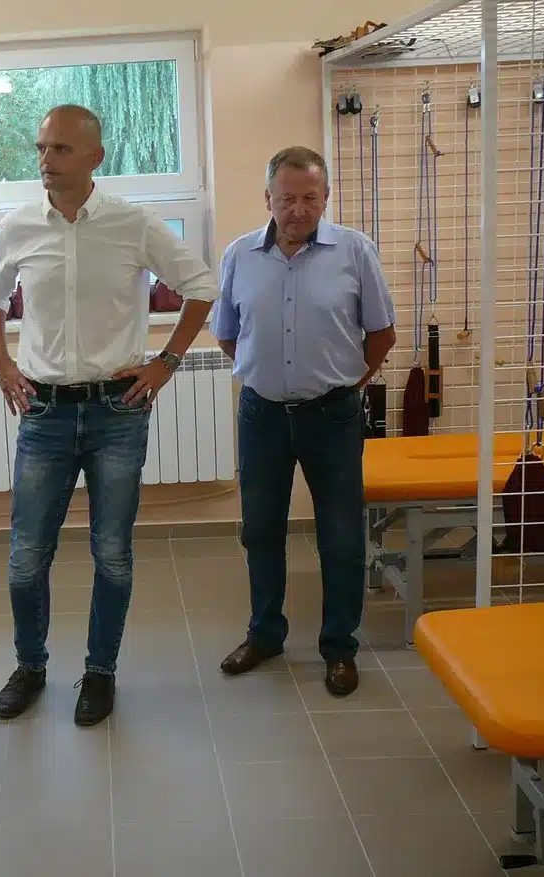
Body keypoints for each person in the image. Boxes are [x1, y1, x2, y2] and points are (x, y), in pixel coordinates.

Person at [0, 105, 219, 727]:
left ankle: (100, 671)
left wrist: (166, 362)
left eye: (59, 149)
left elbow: (201, 286)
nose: (45, 160)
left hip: (117, 411)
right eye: (41, 148)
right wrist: (2, 363)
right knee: (26, 558)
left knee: (111, 553)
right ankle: (30, 666)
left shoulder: (133, 224)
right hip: (44, 411)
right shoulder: (19, 225)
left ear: (94, 158)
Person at [212, 146, 396, 697]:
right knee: (261, 531)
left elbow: (381, 334)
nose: (298, 210)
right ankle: (265, 635)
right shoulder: (240, 255)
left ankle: (339, 647)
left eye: (309, 198)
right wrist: (267, 373)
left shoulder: (355, 251)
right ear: (267, 199)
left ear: (326, 197)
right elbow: (228, 335)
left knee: (340, 535)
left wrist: (348, 383)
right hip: (261, 414)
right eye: (286, 199)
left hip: (333, 415)